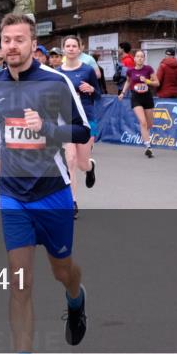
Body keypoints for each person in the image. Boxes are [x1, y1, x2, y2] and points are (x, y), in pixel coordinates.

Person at [0, 14, 90, 354]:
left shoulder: (56, 82)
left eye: (19, 39)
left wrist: (49, 128)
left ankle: (76, 298)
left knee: (62, 270)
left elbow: (83, 131)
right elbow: (2, 130)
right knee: (19, 280)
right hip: (13, 194)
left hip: (53, 193)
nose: (12, 46)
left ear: (32, 44)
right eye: (6, 39)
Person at [59, 36, 101, 218]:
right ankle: (72, 202)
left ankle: (90, 167)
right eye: (67, 46)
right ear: (63, 49)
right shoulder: (57, 73)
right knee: (70, 160)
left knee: (82, 163)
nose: (70, 49)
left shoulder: (88, 70)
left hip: (86, 119)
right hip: (66, 120)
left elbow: (99, 94)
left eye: (74, 46)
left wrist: (92, 90)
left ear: (80, 48)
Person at [118, 50, 159, 157]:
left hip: (147, 97)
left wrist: (147, 81)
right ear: (134, 59)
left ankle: (145, 137)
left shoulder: (148, 69)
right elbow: (128, 81)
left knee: (149, 124)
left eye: (142, 57)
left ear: (144, 59)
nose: (140, 58)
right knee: (143, 122)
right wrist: (123, 92)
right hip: (136, 97)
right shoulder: (130, 71)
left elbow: (157, 83)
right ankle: (148, 147)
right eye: (138, 56)